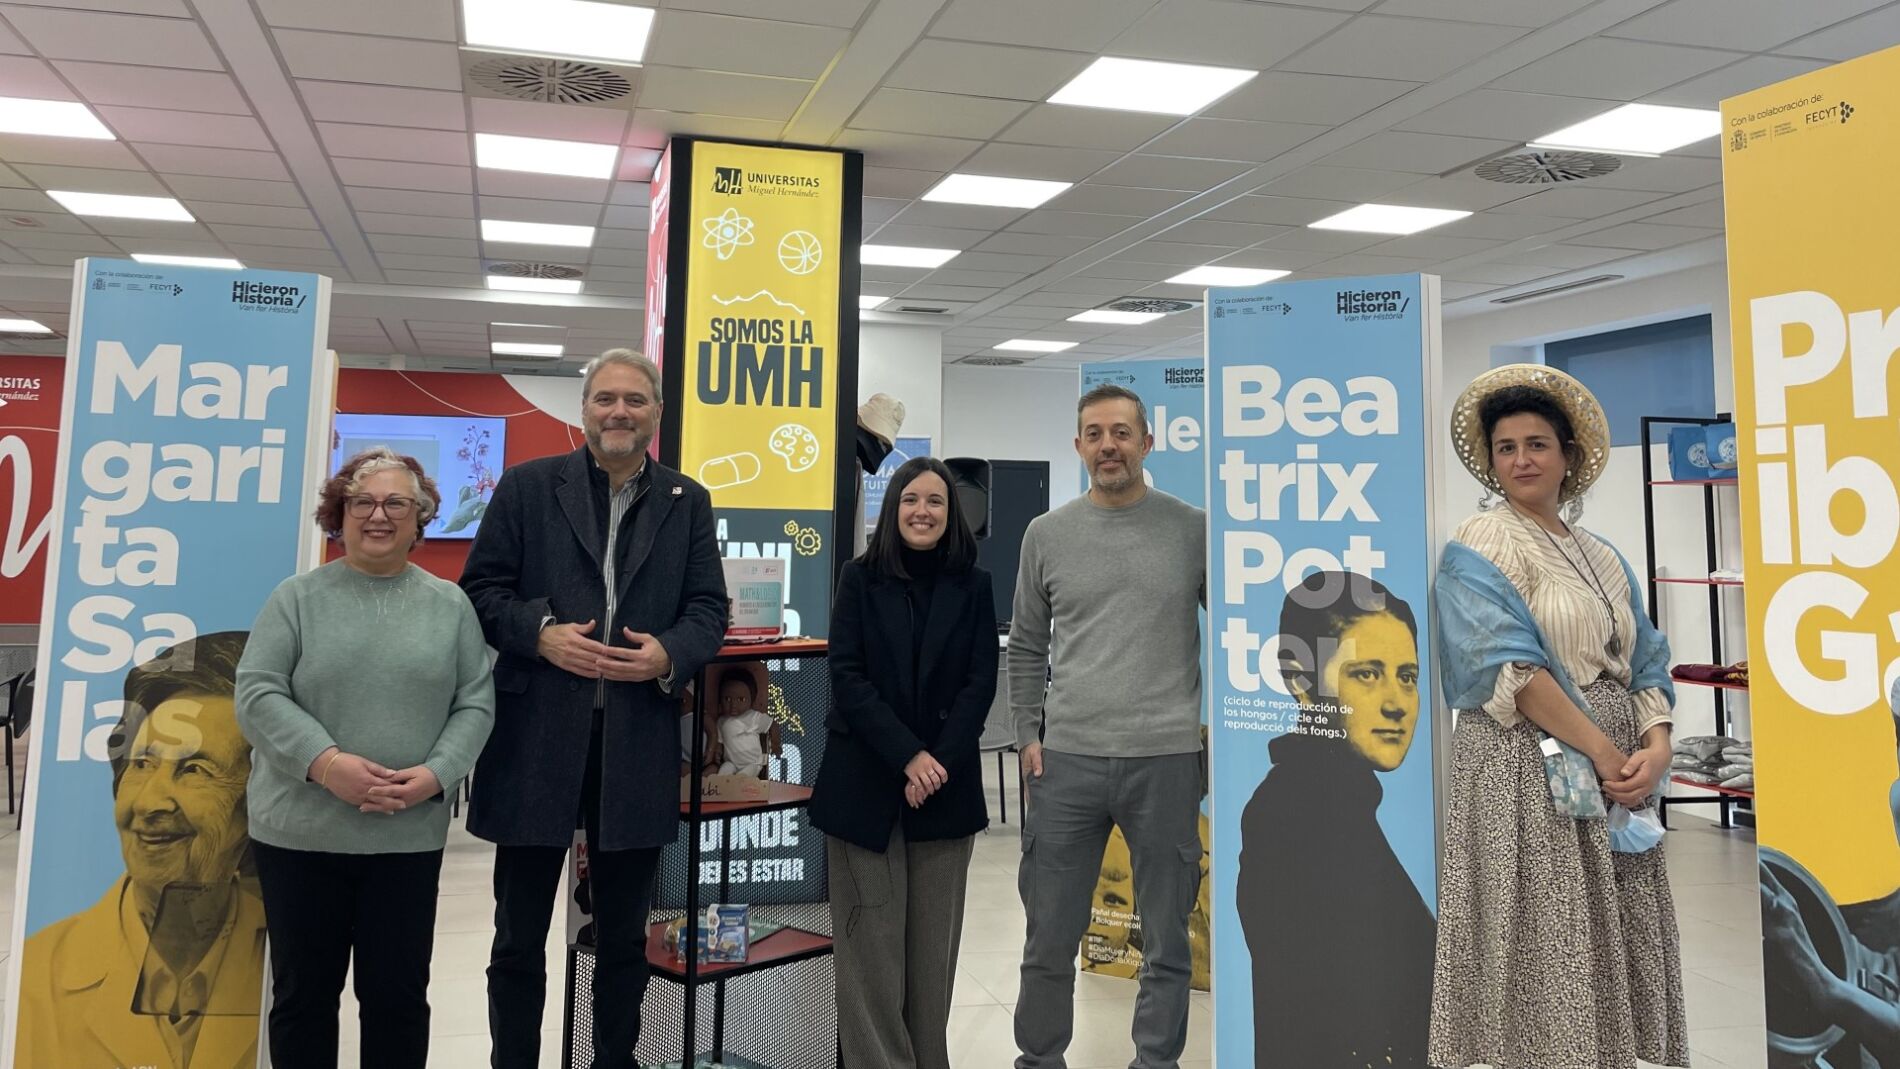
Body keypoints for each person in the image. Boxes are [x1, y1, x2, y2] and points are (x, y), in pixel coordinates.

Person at [460, 348, 727, 1069]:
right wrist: (540, 634)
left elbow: (709, 609)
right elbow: (480, 593)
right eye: (605, 398)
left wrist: (666, 654)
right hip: (535, 740)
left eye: (634, 400)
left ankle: (615, 1060)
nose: (619, 411)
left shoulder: (687, 501)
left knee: (624, 939)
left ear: (657, 413)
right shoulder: (526, 488)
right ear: (583, 410)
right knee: (517, 938)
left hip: (635, 743)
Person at [1431, 365, 1686, 1069]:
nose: (1521, 460)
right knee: (1549, 929)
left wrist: (1656, 747)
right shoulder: (1484, 540)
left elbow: (1643, 655)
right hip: (1527, 762)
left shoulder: (1599, 553)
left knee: (1610, 929)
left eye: (1537, 444)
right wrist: (1606, 755)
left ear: (1568, 454)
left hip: (1617, 764)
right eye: (1506, 447)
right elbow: (1505, 666)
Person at [233, 447, 496, 1069]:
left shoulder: (449, 605)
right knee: (303, 999)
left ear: (420, 518)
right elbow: (257, 693)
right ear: (339, 513)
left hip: (405, 839)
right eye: (362, 502)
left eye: (396, 503)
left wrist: (435, 775)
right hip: (299, 837)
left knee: (397, 1001)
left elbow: (475, 703)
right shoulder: (297, 598)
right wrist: (327, 765)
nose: (378, 516)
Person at [1009, 384, 1206, 1069]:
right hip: (1067, 761)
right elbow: (1026, 644)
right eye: (1094, 434)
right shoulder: (1046, 534)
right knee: (1048, 938)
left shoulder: (1193, 529)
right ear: (1078, 446)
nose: (1108, 446)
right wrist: (1026, 734)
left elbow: (1236, 628)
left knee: (1167, 943)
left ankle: (1156, 1062)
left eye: (1121, 432)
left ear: (1147, 442)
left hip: (1168, 758)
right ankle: (1039, 1060)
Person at [809, 455, 998, 1069]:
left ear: (952, 514)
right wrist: (908, 757)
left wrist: (934, 763)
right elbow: (847, 677)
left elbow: (979, 684)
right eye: (911, 499)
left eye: (936, 501)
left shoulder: (974, 585)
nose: (923, 511)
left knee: (931, 963)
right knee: (871, 960)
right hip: (864, 789)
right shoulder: (858, 578)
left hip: (945, 789)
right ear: (892, 509)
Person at [17, 632, 268, 1069]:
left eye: (195, 770)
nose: (150, 802)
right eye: (141, 764)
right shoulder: (39, 976)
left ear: (256, 799)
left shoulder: (294, 957)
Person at [1236, 571, 1434, 1069]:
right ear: (1301, 682)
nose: (1395, 704)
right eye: (1367, 674)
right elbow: (1326, 1018)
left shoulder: (1338, 806)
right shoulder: (1295, 813)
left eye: (1407, 677)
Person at [714, 667, 779, 778]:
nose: (733, 705)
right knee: (723, 773)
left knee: (742, 778)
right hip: (731, 762)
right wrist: (718, 750)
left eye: (741, 699)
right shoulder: (721, 721)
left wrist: (775, 744)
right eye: (727, 699)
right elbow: (720, 741)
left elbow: (773, 725)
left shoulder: (753, 717)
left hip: (752, 763)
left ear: (751, 700)